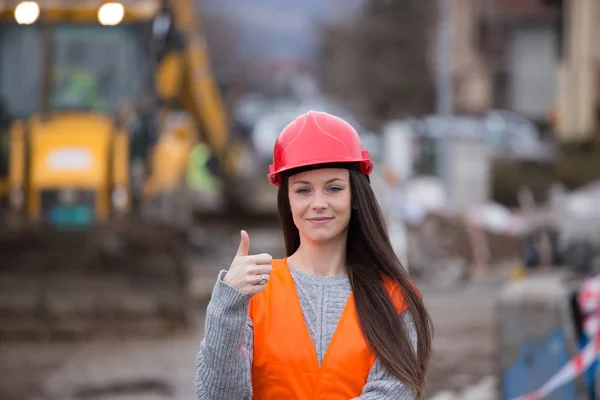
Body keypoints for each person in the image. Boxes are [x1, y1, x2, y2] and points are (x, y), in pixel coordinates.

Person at [195, 110, 433, 399]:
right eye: (303, 190)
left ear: (356, 196)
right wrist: (226, 306)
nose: (318, 203)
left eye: (333, 188)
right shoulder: (253, 294)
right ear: (288, 202)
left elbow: (393, 393)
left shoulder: (394, 297)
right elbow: (219, 397)